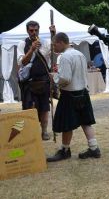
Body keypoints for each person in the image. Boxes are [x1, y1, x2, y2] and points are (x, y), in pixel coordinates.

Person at [46, 33, 101, 162]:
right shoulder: (79, 54)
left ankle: (65, 150)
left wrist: (54, 77)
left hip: (69, 95)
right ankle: (94, 148)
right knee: (85, 122)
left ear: (60, 42)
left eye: (54, 44)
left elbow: (65, 78)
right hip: (82, 93)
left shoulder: (65, 57)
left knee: (67, 124)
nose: (54, 47)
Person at [17, 20, 56, 141]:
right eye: (31, 30)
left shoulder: (46, 42)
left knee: (44, 108)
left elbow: (56, 51)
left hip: (44, 81)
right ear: (27, 31)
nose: (34, 32)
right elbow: (22, 62)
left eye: (36, 30)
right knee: (30, 109)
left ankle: (44, 132)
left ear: (39, 30)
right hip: (29, 82)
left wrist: (53, 35)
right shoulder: (22, 43)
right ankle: (31, 132)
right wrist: (32, 49)